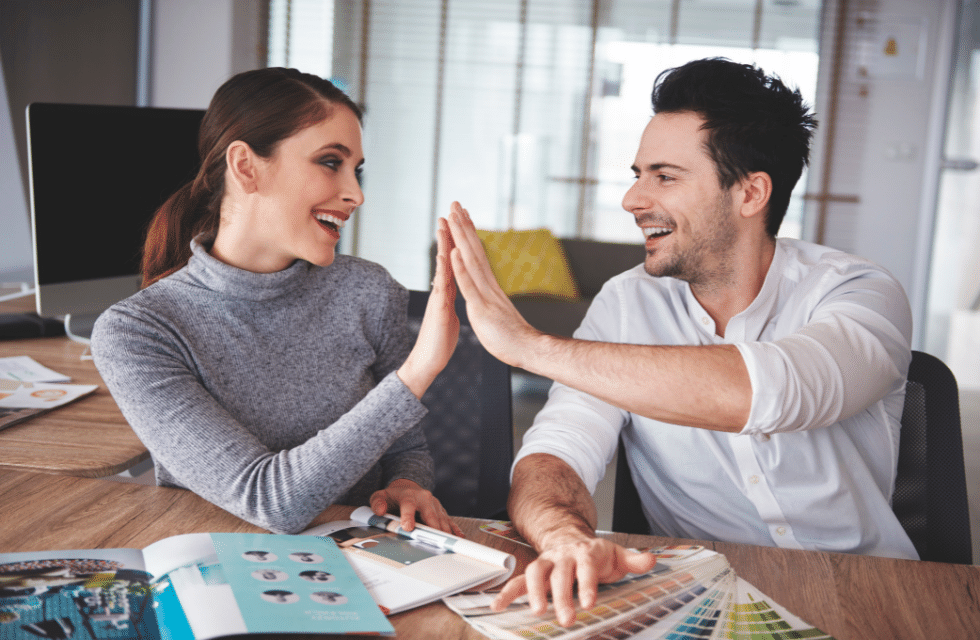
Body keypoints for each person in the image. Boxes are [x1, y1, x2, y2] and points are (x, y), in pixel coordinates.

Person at [445, 57, 918, 626]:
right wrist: (566, 537)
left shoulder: (859, 292)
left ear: (750, 194)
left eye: (664, 177)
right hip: (703, 598)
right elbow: (556, 452)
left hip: (868, 594)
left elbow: (770, 391)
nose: (632, 199)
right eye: (638, 173)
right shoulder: (625, 304)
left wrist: (529, 346)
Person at [91, 67, 461, 537]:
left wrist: (407, 483)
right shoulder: (138, 331)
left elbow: (403, 445)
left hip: (362, 563)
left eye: (357, 169)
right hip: (221, 571)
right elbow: (267, 499)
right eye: (330, 162)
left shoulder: (368, 291)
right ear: (245, 166)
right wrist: (419, 372)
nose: (356, 194)